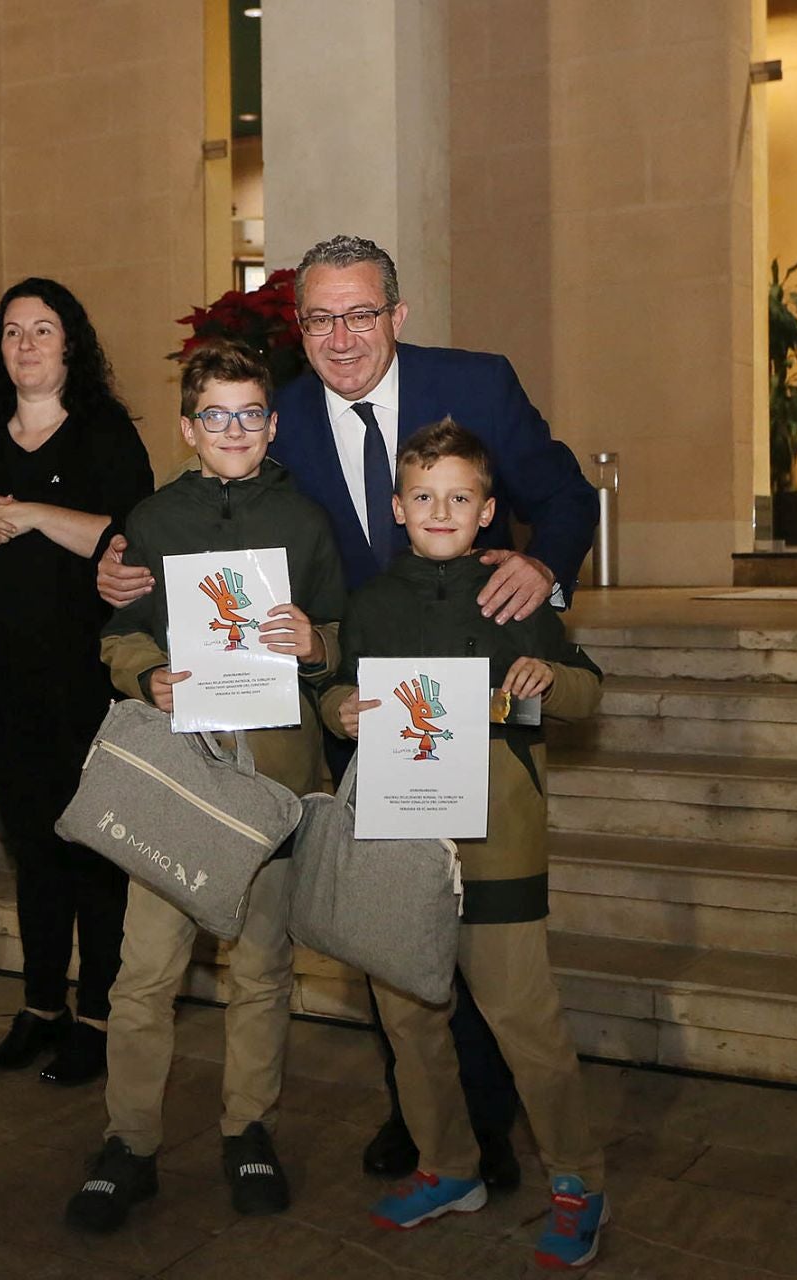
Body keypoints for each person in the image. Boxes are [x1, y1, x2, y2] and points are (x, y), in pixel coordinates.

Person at [97, 235, 599, 1184]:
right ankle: (422, 1118)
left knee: (484, 935)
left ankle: (485, 1123)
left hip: (472, 687)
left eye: (361, 313)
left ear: (396, 316)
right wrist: (119, 568)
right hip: (348, 706)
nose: (340, 335)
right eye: (320, 317)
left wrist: (545, 567)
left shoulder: (479, 383)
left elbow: (565, 492)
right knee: (387, 914)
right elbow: (191, 533)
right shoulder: (267, 418)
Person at [64, 342, 345, 1235]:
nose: (234, 430)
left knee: (260, 965)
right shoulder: (150, 521)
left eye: (251, 413)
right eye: (216, 415)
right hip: (180, 777)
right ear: (189, 427)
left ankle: (248, 1129)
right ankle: (129, 1143)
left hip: (272, 775)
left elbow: (339, 634)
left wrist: (318, 644)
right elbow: (120, 631)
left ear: (271, 423)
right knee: (144, 970)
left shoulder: (305, 521)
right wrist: (148, 676)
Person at [322, 418, 608, 1270]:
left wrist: (547, 681)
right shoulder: (372, 603)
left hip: (500, 840)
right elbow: (341, 689)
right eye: (423, 497)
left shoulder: (517, 595)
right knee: (409, 1020)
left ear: (487, 510)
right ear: (399, 508)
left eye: (459, 497)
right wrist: (337, 707)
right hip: (402, 840)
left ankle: (577, 1180)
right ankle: (448, 1167)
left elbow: (588, 693)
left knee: (525, 1020)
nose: (440, 510)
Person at [0, 278, 154, 1086]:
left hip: (87, 681)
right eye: (13, 332)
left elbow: (133, 535)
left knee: (92, 850)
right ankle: (40, 1008)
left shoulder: (103, 435)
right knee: (32, 852)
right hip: (0, 678)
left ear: (72, 345)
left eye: (44, 330)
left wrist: (26, 513)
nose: (27, 345)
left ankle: (96, 1016)